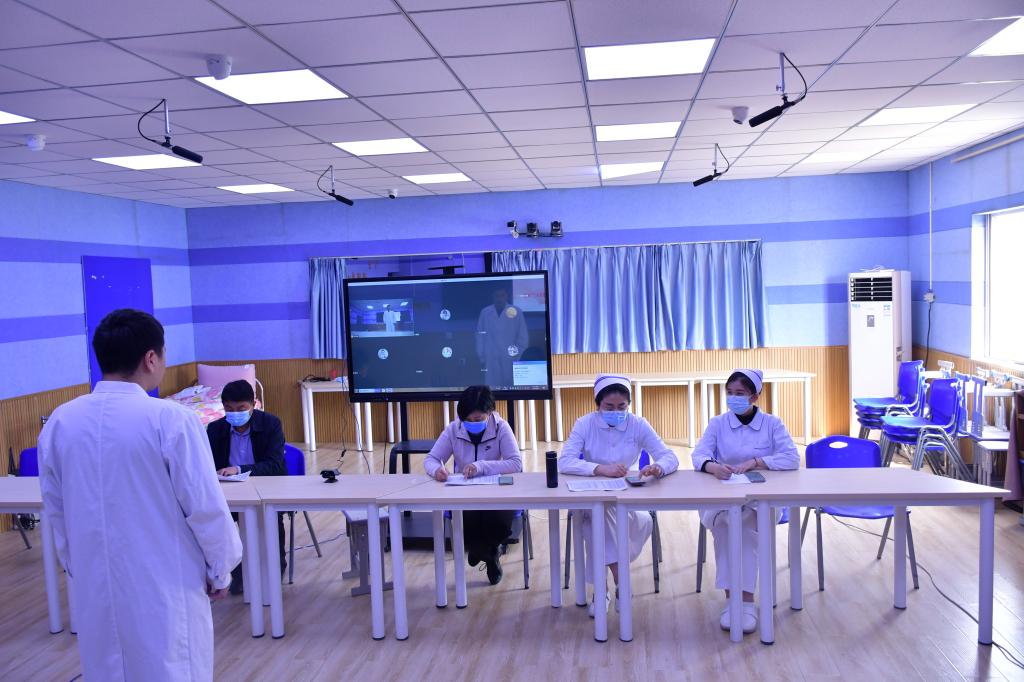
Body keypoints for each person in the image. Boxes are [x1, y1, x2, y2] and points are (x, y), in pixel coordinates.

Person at [38, 309, 241, 681]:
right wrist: (221, 568)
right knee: (169, 667)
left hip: (96, 584)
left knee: (107, 668)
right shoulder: (170, 420)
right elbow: (204, 506)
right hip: (165, 584)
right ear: (151, 358)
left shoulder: (60, 422)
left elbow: (56, 511)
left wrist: (78, 566)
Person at [558, 374, 678, 616]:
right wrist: (599, 469)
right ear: (598, 405)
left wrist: (658, 467)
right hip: (591, 497)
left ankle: (601, 591)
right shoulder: (585, 424)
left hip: (629, 500)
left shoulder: (638, 424)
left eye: (621, 406)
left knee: (596, 523)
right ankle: (621, 584)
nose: (616, 412)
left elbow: (669, 457)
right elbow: (564, 461)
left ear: (629, 405)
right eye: (609, 407)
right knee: (598, 514)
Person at [691, 368, 799, 635]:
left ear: (755, 396)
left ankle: (746, 601)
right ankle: (732, 601)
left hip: (760, 501)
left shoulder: (772, 424)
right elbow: (699, 454)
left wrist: (757, 462)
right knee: (727, 523)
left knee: (746, 522)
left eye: (739, 393)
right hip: (722, 499)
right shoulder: (718, 423)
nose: (733, 398)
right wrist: (712, 466)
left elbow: (791, 458)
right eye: (729, 393)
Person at [424, 385, 522, 585]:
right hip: (464, 492)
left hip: (497, 491)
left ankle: (483, 550)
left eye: (478, 419)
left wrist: (482, 466)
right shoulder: (454, 429)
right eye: (468, 420)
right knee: (465, 523)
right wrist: (437, 470)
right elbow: (431, 459)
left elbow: (515, 463)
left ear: (490, 412)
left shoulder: (501, 427)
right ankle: (490, 554)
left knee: (497, 523)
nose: (473, 424)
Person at [207, 379, 287, 594]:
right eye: (229, 409)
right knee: (218, 523)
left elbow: (276, 465)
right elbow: (206, 466)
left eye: (241, 408)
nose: (235, 414)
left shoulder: (271, 424)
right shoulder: (215, 430)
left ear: (254, 404)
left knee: (270, 518)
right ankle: (234, 572)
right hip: (229, 492)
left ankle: (276, 567)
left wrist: (239, 469)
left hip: (266, 488)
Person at [476, 288, 529, 389]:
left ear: (506, 297)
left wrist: (518, 357)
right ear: (493, 297)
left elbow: (523, 337)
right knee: (492, 388)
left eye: (502, 295)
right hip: (491, 357)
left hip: (511, 358)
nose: (499, 299)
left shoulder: (516, 311)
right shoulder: (485, 312)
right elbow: (480, 336)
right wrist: (482, 357)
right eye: (497, 296)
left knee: (511, 388)